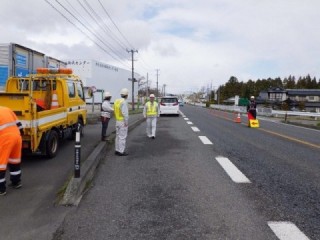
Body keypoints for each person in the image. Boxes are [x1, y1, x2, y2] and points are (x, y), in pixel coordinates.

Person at [0, 106, 23, 196]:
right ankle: (16, 182)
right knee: (14, 161)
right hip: (17, 137)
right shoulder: (7, 109)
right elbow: (20, 125)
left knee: (1, 164)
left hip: (5, 139)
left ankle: (1, 189)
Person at [114, 88, 129, 156]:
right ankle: (121, 151)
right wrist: (126, 122)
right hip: (122, 121)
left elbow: (115, 110)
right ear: (126, 95)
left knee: (117, 136)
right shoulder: (124, 102)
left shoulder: (116, 101)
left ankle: (117, 150)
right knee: (122, 137)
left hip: (117, 121)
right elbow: (125, 113)